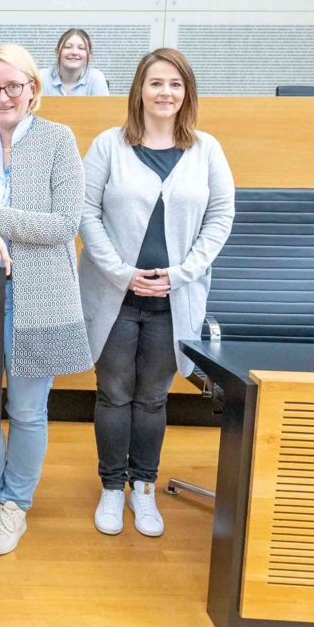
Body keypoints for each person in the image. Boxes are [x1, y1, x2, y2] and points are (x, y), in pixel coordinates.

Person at [0, 43, 93, 556]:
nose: (2, 96)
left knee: (27, 409)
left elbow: (65, 224)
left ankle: (13, 504)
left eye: (13, 86)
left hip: (41, 294)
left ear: (33, 89)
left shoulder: (58, 139)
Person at [79, 48, 234, 539]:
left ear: (186, 92)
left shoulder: (206, 149)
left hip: (174, 298)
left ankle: (143, 489)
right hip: (116, 295)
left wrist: (184, 272)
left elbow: (221, 218)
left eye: (175, 84)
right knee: (114, 392)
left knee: (151, 399)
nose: (165, 92)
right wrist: (121, 272)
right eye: (155, 83)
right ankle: (111, 486)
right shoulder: (108, 145)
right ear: (139, 91)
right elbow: (85, 213)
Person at [41, 28, 110, 96]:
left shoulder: (96, 78)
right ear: (57, 52)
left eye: (81, 48)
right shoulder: (41, 77)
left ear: (89, 55)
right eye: (68, 47)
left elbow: (103, 107)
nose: (74, 52)